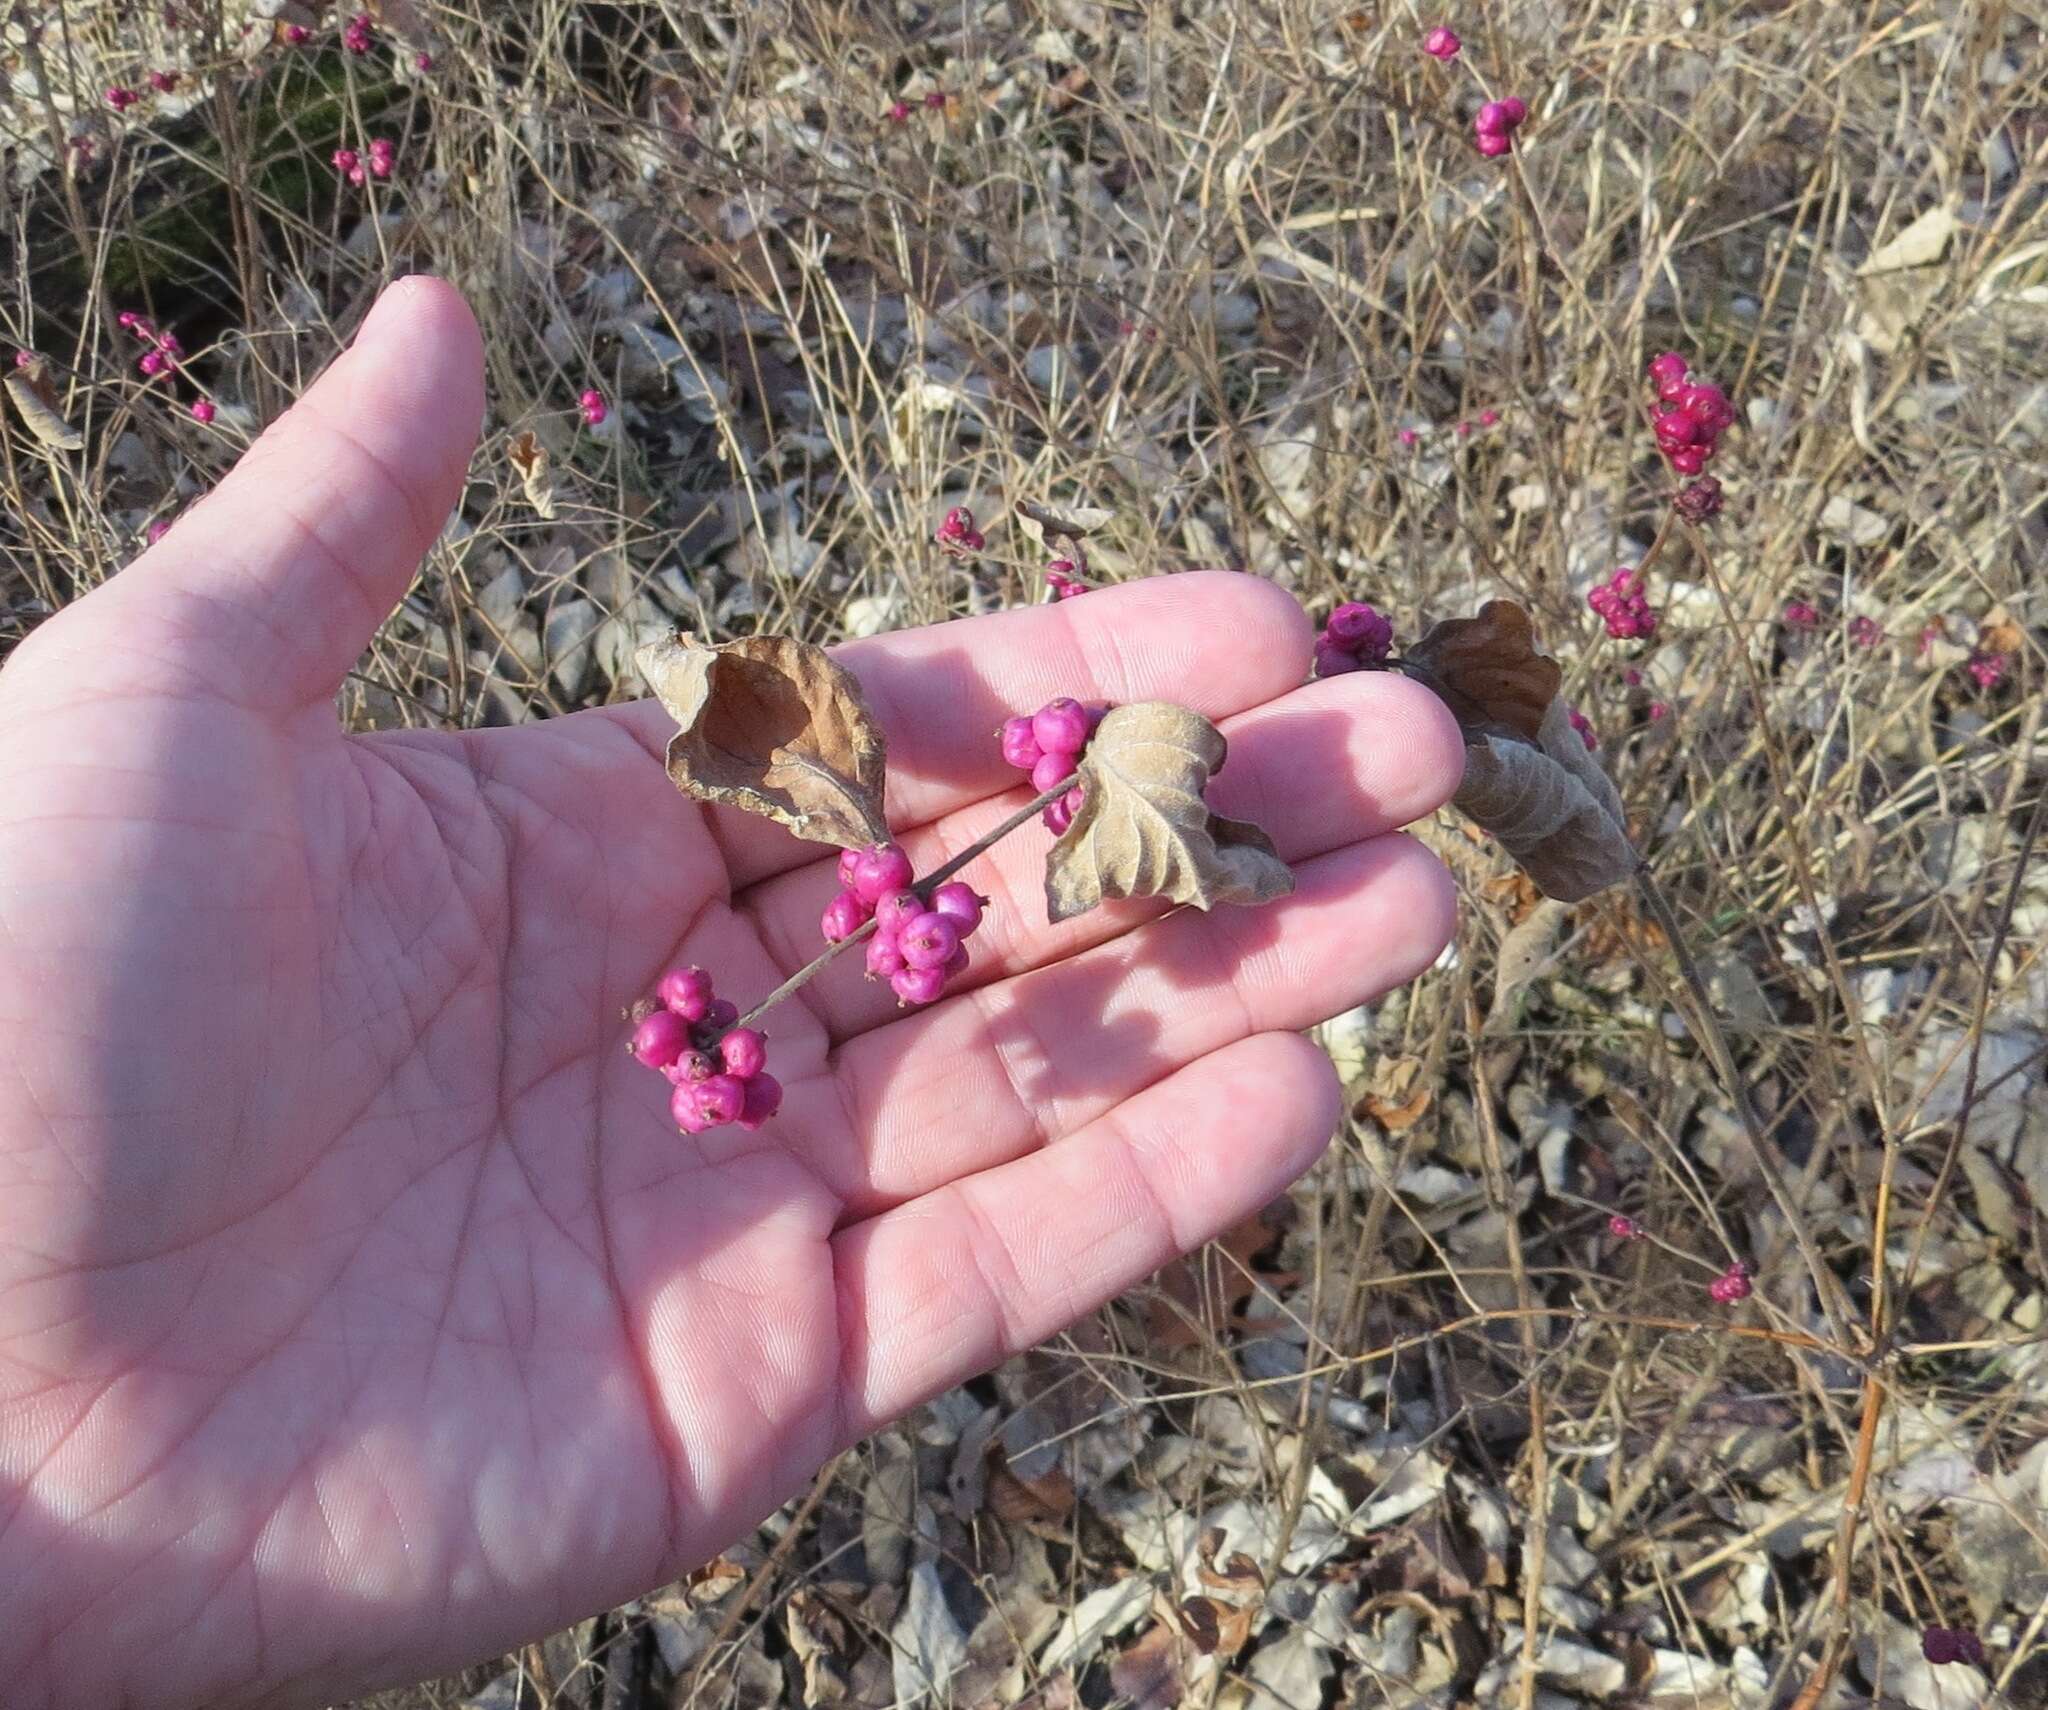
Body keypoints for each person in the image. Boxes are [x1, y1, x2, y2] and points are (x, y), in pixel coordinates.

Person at [0, 278, 1463, 1708]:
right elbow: (860, 940)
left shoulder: (836, 941)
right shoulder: (770, 993)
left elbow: (893, 923)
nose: (708, 1063)